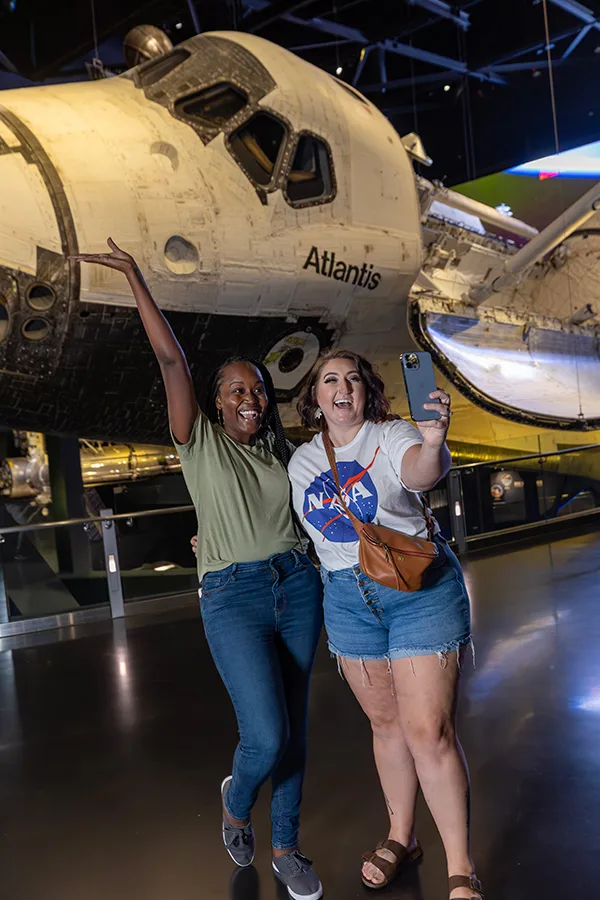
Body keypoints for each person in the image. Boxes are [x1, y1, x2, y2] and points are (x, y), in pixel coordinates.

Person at [71, 239, 324, 900]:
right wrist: (134, 277)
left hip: (296, 586)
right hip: (232, 599)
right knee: (265, 735)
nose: (251, 398)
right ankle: (237, 804)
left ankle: (288, 847)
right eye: (238, 390)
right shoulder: (199, 441)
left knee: (296, 731)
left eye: (259, 390)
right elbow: (169, 358)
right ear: (215, 403)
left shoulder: (278, 451)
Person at [287, 350, 482, 900]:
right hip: (347, 601)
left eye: (353, 377)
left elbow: (421, 472)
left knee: (429, 732)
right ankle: (402, 837)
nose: (342, 386)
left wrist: (435, 440)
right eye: (330, 379)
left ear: (366, 390)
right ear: (316, 399)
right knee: (388, 728)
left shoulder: (390, 433)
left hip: (416, 588)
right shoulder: (301, 460)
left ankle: (461, 869)